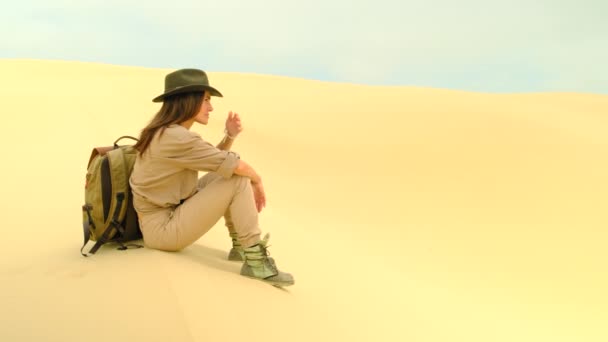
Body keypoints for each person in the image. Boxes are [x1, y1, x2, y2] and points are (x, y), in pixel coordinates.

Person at [129, 68, 294, 287]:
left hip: (167, 215)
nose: (211, 107)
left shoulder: (166, 132)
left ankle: (241, 248)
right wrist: (257, 180)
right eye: (206, 100)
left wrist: (229, 136)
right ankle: (255, 260)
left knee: (229, 175)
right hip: (162, 230)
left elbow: (215, 161)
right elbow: (233, 166)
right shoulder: (176, 137)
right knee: (237, 178)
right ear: (189, 101)